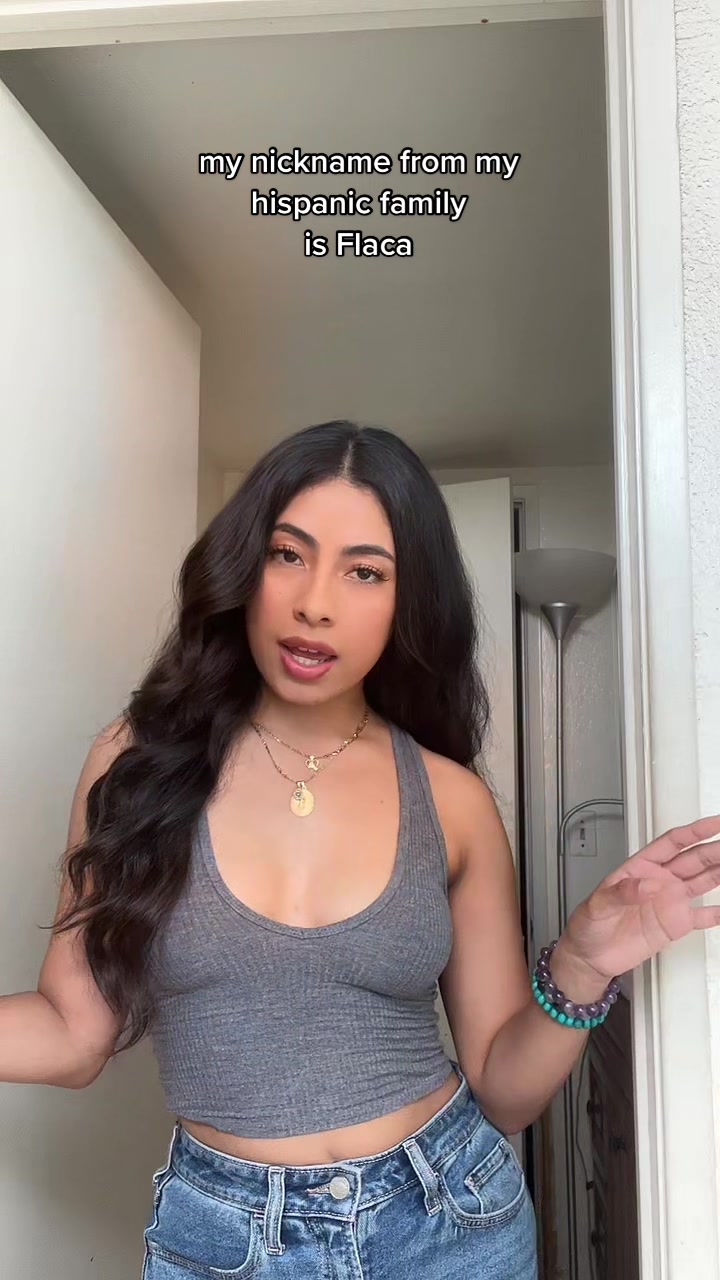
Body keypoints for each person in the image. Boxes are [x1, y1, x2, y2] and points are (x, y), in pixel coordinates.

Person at [2, 421, 718, 1280]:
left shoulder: (452, 801)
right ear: (245, 570)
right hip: (226, 1242)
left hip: (451, 1220)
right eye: (288, 555)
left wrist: (583, 964)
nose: (316, 603)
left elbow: (505, 1090)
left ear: (408, 601)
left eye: (365, 571)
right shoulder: (137, 762)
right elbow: (71, 1034)